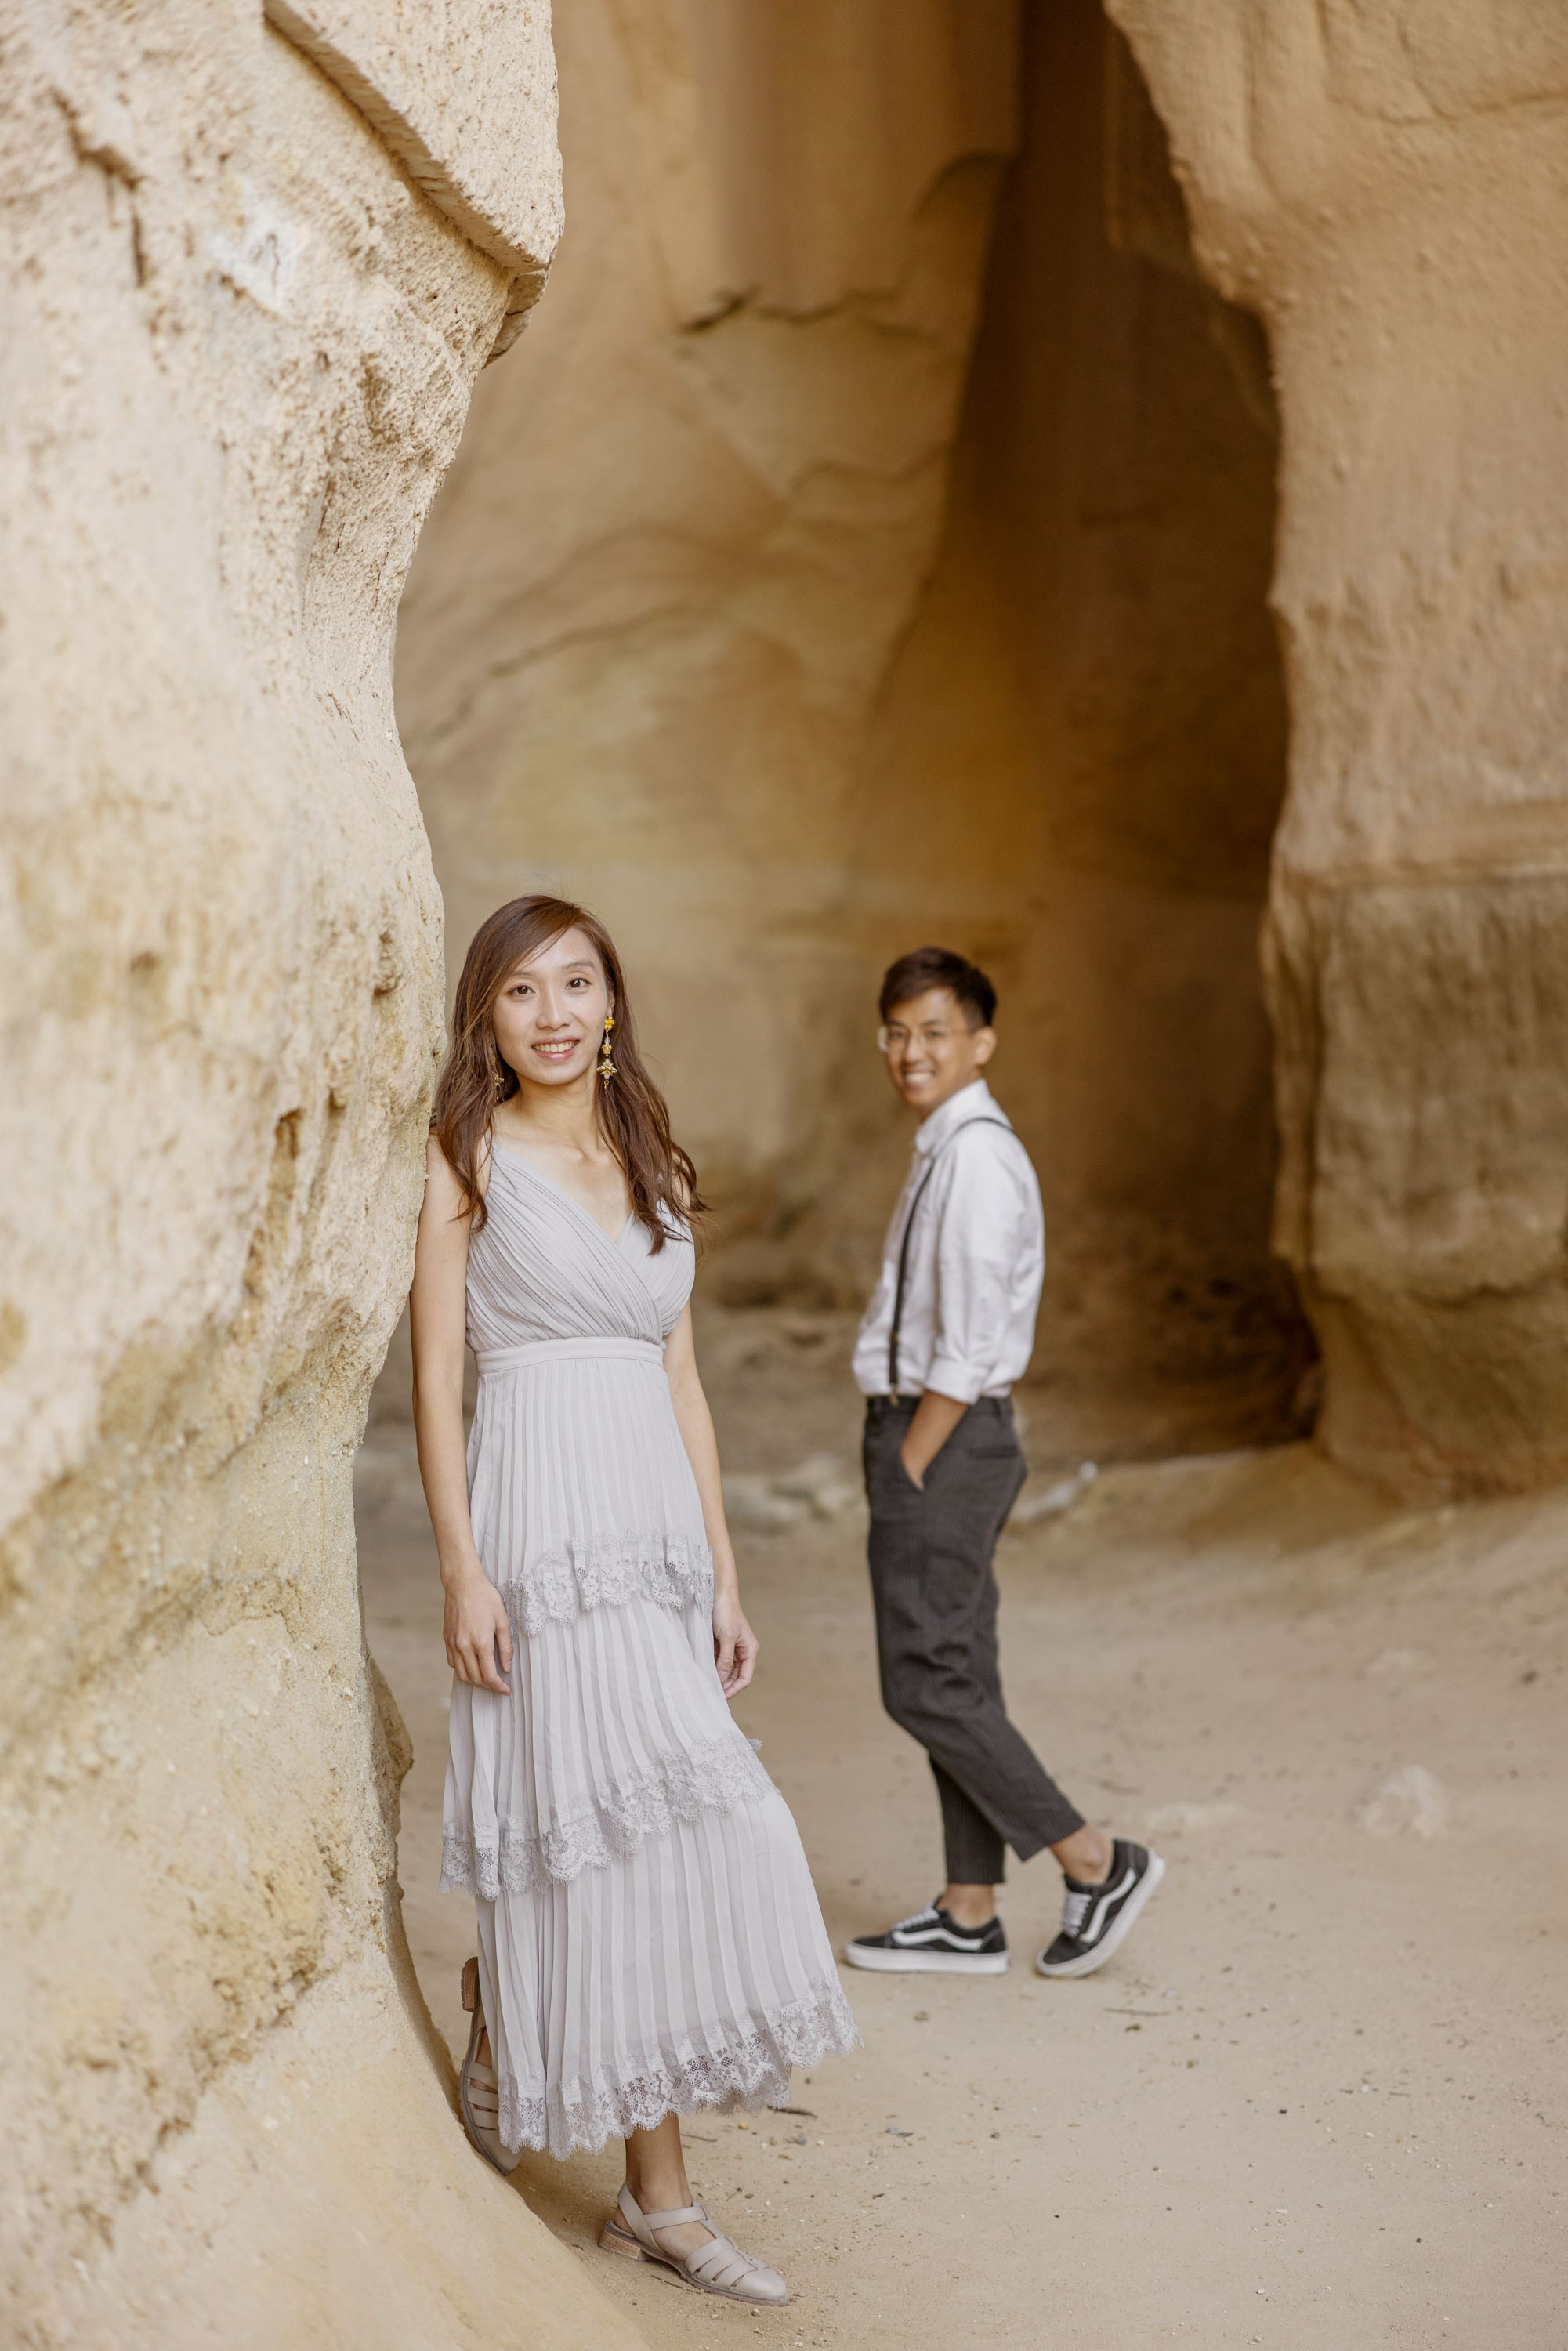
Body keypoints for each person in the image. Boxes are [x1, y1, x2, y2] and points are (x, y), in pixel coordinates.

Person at [410, 894, 857, 2308]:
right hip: (537, 1532)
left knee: (703, 1820)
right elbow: (431, 1381)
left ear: (612, 1006)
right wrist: (462, 1566)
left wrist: (722, 1569)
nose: (550, 1013)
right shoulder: (462, 1154)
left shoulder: (652, 1154)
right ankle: (658, 2202)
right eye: (520, 992)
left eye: (576, 984)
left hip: (652, 1540)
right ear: (487, 1019)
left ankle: (510, 2020)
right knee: (590, 1838)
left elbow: (678, 1376)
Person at [843, 946, 1162, 1981]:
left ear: (982, 1042)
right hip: (942, 1433)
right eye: (895, 1032)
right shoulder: (949, 1145)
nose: (909, 1051)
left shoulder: (975, 1157)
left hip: (943, 1434)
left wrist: (912, 1458)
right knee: (955, 1672)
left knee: (921, 1683)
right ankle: (967, 1907)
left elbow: (971, 1340)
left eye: (933, 1031)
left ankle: (1095, 1861)